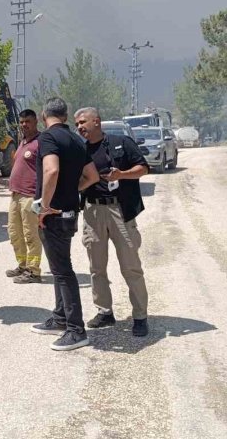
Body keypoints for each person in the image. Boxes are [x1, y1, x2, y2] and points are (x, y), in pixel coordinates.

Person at [74, 107, 151, 337]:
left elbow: (143, 168)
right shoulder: (80, 150)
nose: (79, 127)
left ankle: (140, 316)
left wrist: (121, 175)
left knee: (130, 266)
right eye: (76, 124)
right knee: (96, 267)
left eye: (83, 122)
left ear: (96, 121)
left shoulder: (121, 142)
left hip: (120, 210)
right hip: (92, 211)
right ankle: (104, 311)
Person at [30, 98, 99, 351]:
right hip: (69, 212)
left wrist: (44, 206)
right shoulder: (77, 140)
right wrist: (71, 190)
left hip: (54, 215)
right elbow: (92, 176)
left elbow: (51, 171)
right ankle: (60, 318)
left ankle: (76, 330)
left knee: (62, 272)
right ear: (66, 116)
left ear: (43, 115)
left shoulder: (48, 137)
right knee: (60, 269)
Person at [6, 109, 44, 284]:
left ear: (36, 121)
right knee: (15, 233)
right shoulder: (23, 142)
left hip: (30, 196)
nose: (24, 125)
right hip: (16, 195)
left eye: (28, 121)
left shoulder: (40, 142)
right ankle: (22, 265)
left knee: (31, 234)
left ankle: (34, 271)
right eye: (21, 122)